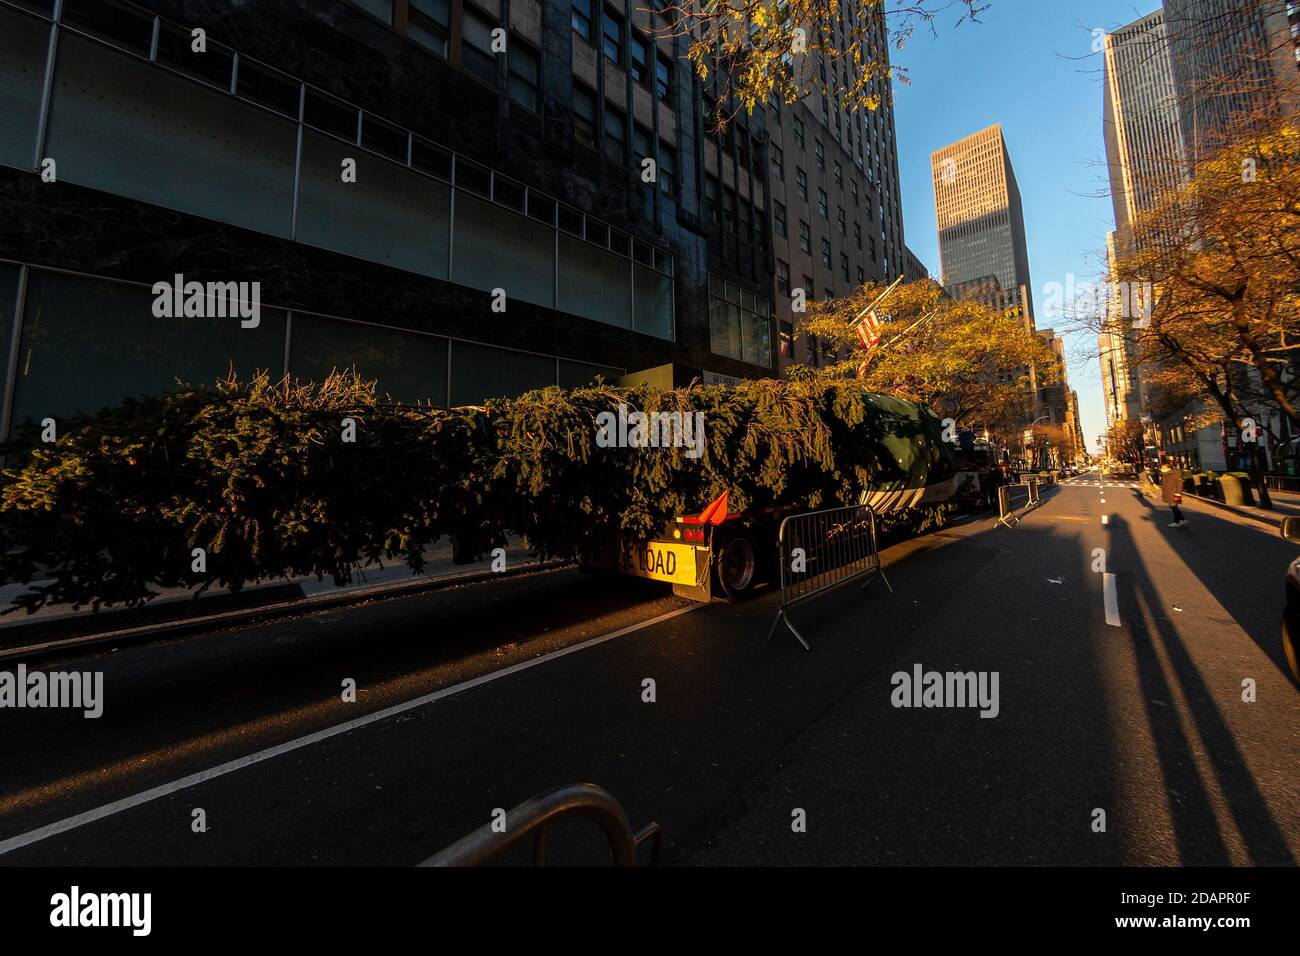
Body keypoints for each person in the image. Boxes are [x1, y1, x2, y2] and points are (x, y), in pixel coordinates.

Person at [1161, 463, 1187, 527]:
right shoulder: (1165, 474)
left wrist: (1178, 493)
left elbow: (1180, 484)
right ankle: (1182, 520)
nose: (1161, 469)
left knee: (1173, 506)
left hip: (1175, 493)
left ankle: (1176, 522)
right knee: (1173, 506)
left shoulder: (1175, 474)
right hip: (1169, 493)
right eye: (1161, 468)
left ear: (1169, 468)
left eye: (1163, 468)